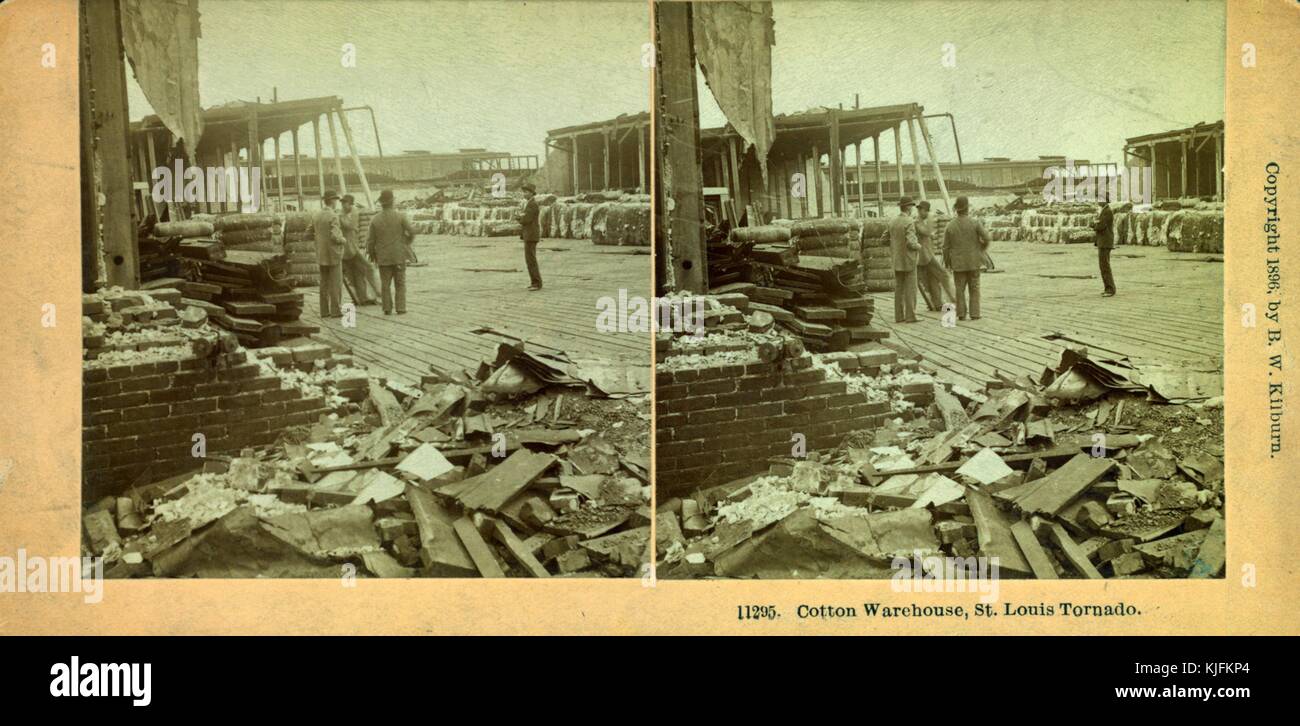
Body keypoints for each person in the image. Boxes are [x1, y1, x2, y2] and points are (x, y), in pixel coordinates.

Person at [366, 189, 416, 315]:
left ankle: (387, 308)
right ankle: (401, 308)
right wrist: (406, 243)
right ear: (393, 202)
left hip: (383, 257)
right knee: (400, 283)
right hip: (399, 255)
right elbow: (412, 232)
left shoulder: (375, 219)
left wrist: (373, 254)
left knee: (385, 284)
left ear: (381, 203)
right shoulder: (400, 216)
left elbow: (370, 241)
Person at [942, 196, 990, 321]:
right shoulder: (975, 223)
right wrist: (981, 249)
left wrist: (947, 262)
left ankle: (961, 314)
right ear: (967, 208)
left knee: (959, 289)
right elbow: (987, 238)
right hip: (974, 261)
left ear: (957, 209)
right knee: (974, 288)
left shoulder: (950, 225)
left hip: (958, 263)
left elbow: (945, 247)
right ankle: (975, 313)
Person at [914, 200, 955, 311]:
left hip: (925, 255)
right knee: (943, 275)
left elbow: (927, 234)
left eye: (920, 209)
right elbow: (927, 232)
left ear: (926, 210)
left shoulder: (921, 221)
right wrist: (931, 219)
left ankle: (937, 304)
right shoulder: (918, 222)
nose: (919, 211)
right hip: (925, 256)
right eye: (918, 209)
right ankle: (954, 299)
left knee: (932, 279)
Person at [339, 194, 378, 306]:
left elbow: (350, 225)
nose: (343, 205)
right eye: (342, 203)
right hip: (347, 249)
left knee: (366, 269)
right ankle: (362, 298)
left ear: (350, 203)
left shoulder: (353, 213)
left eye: (345, 203)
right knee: (354, 274)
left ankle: (375, 293)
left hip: (352, 249)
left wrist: (341, 217)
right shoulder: (345, 214)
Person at [313, 190, 346, 319]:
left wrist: (319, 242)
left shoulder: (316, 215)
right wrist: (343, 240)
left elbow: (309, 231)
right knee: (336, 283)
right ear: (332, 201)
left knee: (324, 283)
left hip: (321, 254)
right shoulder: (333, 216)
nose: (337, 203)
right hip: (334, 254)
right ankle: (336, 310)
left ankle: (324, 311)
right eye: (336, 200)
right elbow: (335, 236)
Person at [888, 196, 922, 323]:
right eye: (912, 206)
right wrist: (919, 246)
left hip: (897, 260)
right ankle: (911, 316)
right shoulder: (909, 221)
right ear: (908, 207)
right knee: (911, 289)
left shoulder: (892, 221)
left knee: (899, 289)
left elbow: (884, 239)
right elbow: (911, 243)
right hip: (909, 260)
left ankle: (899, 316)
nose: (913, 209)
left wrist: (895, 247)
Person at [517, 183, 542, 290]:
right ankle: (534, 282)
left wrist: (518, 218)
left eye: (526, 192)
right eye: (523, 192)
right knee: (530, 260)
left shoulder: (532, 204)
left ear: (531, 193)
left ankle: (536, 283)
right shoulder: (529, 203)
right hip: (530, 235)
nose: (524, 194)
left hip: (531, 235)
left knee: (531, 260)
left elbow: (526, 219)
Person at [1094, 200, 1116, 296]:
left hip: (1105, 242)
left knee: (1104, 266)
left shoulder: (1107, 211)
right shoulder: (1104, 210)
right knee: (1104, 266)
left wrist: (1093, 224)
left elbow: (1101, 226)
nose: (1097, 201)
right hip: (1103, 242)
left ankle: (1110, 289)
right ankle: (1108, 287)